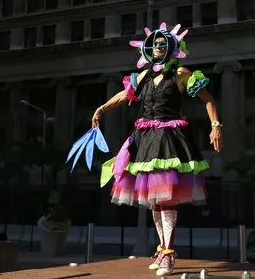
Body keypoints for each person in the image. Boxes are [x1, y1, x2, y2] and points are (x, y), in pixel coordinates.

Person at [93, 22, 223, 276]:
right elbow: (123, 95)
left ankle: (169, 254)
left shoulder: (182, 73)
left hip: (169, 138)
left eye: (163, 45)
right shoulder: (144, 76)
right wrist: (102, 108)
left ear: (172, 48)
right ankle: (162, 248)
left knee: (166, 199)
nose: (158, 49)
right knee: (154, 201)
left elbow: (207, 99)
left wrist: (216, 125)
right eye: (154, 45)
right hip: (146, 139)